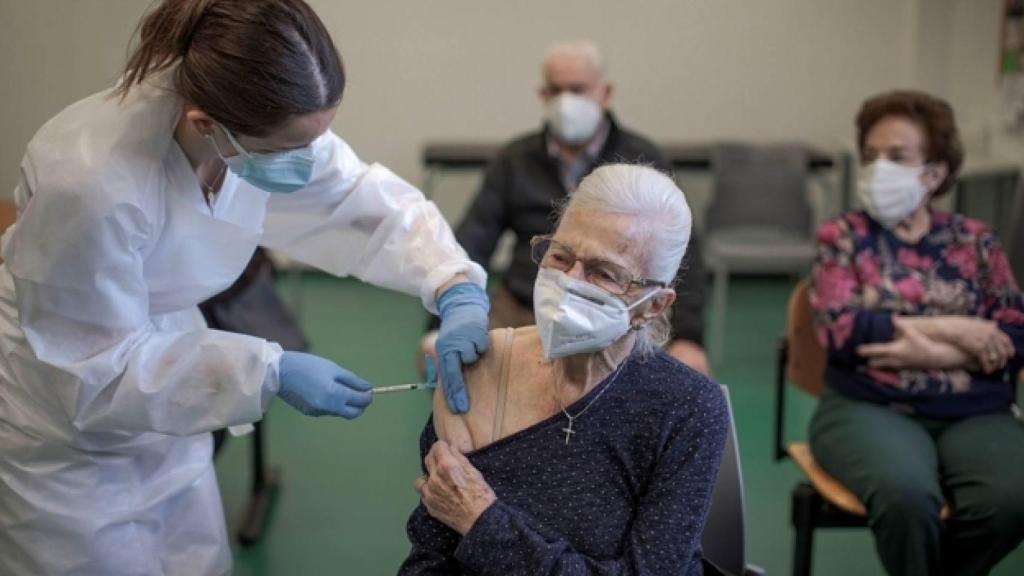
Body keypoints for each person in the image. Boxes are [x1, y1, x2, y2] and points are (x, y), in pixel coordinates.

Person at [0, 1, 489, 574]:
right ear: (205, 123)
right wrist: (266, 371)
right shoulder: (90, 182)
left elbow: (360, 202)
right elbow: (96, 369)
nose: (307, 163)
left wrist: (454, 285)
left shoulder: (253, 127)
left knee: (195, 559)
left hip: (169, 397)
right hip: (63, 431)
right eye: (289, 149)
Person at [400, 165, 728, 575]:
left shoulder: (687, 407)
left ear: (653, 306)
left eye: (603, 272)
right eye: (560, 255)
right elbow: (430, 559)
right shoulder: (480, 374)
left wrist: (484, 523)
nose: (569, 282)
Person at [809, 90, 1024, 576]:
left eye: (897, 157)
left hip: (975, 410)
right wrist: (959, 330)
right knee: (906, 497)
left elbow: (1015, 336)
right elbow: (845, 332)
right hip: (869, 406)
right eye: (870, 156)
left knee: (1011, 498)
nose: (877, 168)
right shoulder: (842, 237)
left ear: (935, 172)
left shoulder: (977, 242)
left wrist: (930, 352)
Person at [422, 40, 709, 376]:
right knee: (441, 354)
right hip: (527, 304)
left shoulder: (642, 159)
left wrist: (689, 336)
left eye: (577, 89)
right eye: (556, 90)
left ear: (605, 92)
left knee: (688, 372)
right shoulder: (514, 160)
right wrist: (445, 318)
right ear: (542, 95)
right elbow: (473, 238)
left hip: (617, 312)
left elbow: (685, 252)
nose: (566, 101)